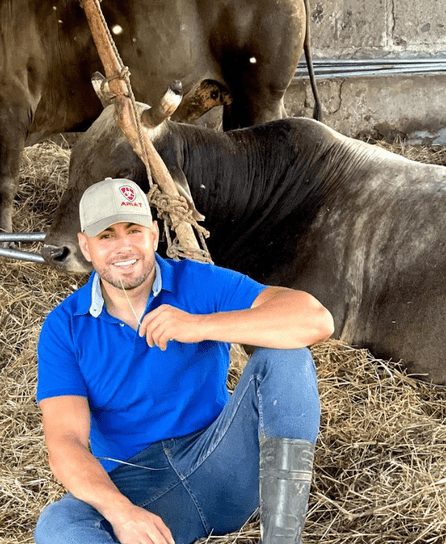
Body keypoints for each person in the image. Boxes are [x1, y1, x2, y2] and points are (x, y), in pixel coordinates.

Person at [34, 177, 334, 544]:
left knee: (286, 355)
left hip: (222, 462)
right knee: (57, 527)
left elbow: (315, 319)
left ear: (155, 234)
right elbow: (65, 443)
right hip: (140, 490)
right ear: (85, 245)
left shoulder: (198, 283)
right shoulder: (64, 326)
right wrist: (122, 513)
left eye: (134, 230)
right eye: (107, 236)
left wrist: (200, 325)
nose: (123, 246)